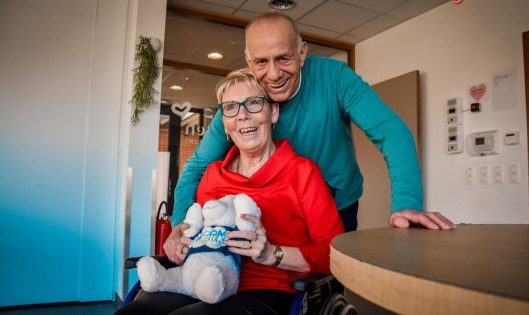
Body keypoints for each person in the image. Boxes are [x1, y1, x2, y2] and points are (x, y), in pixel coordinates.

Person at [166, 11, 454, 265]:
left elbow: (390, 131)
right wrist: (180, 226)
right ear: (248, 61)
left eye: (283, 58)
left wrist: (407, 203)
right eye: (261, 62)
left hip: (337, 203)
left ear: (302, 53)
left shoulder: (335, 77)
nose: (274, 74)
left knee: (333, 277)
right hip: (277, 209)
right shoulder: (245, 100)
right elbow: (197, 167)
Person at [117, 69, 344, 315]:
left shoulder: (303, 173)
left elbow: (335, 254)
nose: (243, 116)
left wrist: (272, 254)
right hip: (198, 280)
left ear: (274, 112)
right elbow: (196, 233)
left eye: (254, 103)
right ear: (224, 123)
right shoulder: (213, 174)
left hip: (270, 289)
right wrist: (177, 239)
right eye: (231, 108)